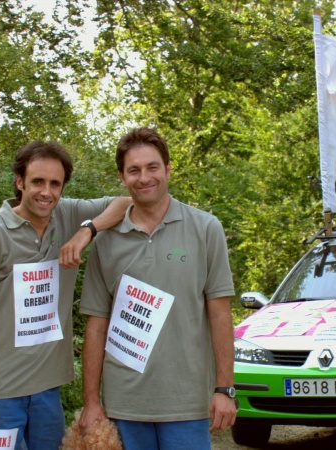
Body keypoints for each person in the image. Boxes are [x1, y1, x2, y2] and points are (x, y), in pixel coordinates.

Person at [0, 140, 131, 450]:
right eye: (37, 181)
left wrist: (86, 231)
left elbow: (127, 203)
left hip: (48, 393)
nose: (46, 192)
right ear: (20, 182)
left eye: (55, 184)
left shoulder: (68, 215)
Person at [78, 127, 238, 450]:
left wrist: (225, 389)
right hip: (123, 405)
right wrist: (91, 401)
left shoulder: (205, 228)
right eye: (134, 170)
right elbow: (96, 327)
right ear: (122, 177)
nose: (144, 177)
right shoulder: (106, 241)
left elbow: (220, 315)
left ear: (168, 169)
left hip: (187, 403)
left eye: (152, 167)